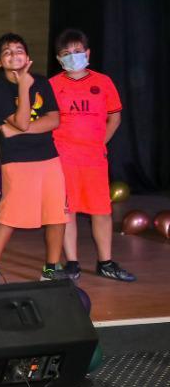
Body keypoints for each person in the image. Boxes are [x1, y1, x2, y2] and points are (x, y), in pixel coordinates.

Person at [0, 33, 67, 283]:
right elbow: (20, 119)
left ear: (27, 57)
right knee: (10, 214)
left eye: (19, 50)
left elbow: (54, 119)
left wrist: (23, 127)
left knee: (56, 214)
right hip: (17, 160)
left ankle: (51, 267)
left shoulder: (42, 81)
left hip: (49, 157)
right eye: (7, 52)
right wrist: (24, 89)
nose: (13, 55)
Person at [50, 29, 135, 282]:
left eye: (77, 52)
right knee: (67, 211)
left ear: (87, 53)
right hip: (63, 158)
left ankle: (105, 262)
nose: (73, 57)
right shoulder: (54, 85)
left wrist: (98, 143)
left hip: (94, 159)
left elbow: (115, 117)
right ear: (59, 59)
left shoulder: (103, 82)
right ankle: (72, 262)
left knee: (101, 211)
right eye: (67, 53)